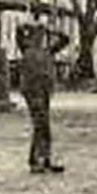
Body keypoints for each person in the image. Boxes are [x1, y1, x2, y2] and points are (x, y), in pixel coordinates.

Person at [18, 23, 70, 174]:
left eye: (42, 36)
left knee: (44, 127)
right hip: (33, 92)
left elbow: (65, 39)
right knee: (41, 126)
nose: (40, 38)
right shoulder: (26, 49)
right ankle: (36, 161)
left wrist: (51, 30)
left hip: (45, 92)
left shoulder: (48, 51)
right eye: (37, 35)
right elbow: (19, 32)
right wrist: (29, 26)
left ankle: (44, 160)